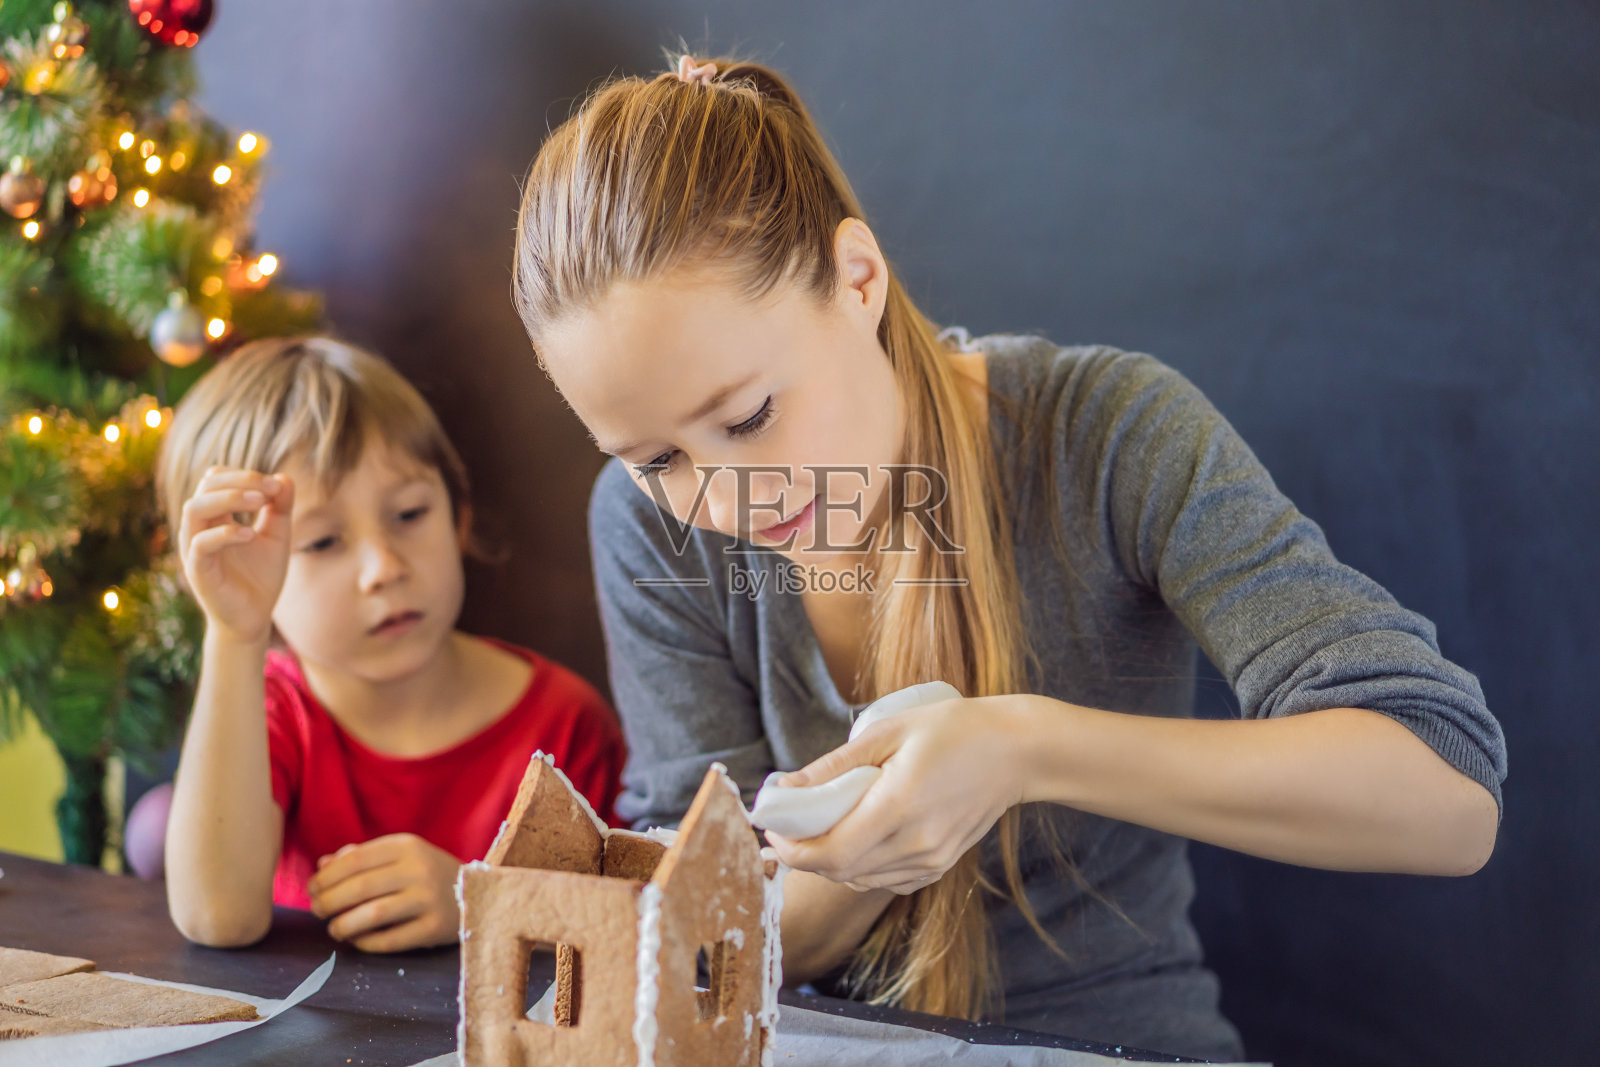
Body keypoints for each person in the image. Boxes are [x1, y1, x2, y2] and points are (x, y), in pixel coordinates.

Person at [509, 56, 1507, 1059]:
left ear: (857, 280)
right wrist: (871, 853)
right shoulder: (647, 529)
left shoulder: (1108, 436)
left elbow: (1447, 795)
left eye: (749, 415)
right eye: (656, 460)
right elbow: (713, 945)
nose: (724, 502)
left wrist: (1026, 749)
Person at [156, 337, 625, 953]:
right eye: (323, 542)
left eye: (408, 515)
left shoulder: (564, 725)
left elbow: (631, 922)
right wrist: (235, 631)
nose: (383, 568)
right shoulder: (270, 711)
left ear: (457, 516)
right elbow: (217, 917)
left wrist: (479, 902)